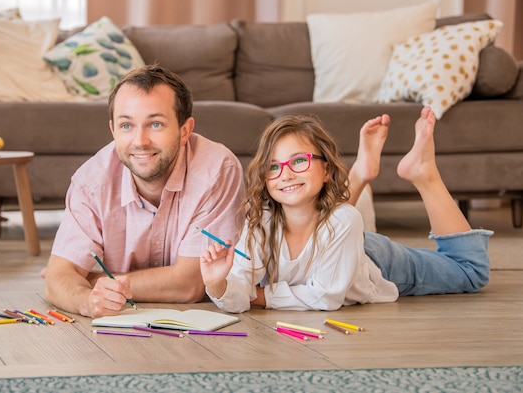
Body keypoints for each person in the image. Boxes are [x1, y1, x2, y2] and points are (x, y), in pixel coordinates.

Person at [200, 106, 492, 313]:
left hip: (373, 261)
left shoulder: (346, 220)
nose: (285, 174)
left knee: (469, 272)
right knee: (334, 219)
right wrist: (219, 285)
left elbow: (326, 296)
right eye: (273, 167)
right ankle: (361, 172)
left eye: (298, 161)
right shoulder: (260, 222)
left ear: (326, 169)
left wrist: (262, 296)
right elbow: (240, 295)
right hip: (335, 239)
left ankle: (424, 173)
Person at [44, 64, 244, 318]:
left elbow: (191, 284)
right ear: (113, 130)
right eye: (126, 126)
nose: (140, 141)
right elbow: (57, 277)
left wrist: (94, 279)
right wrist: (86, 300)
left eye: (156, 124)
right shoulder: (90, 182)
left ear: (185, 131)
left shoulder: (216, 171)